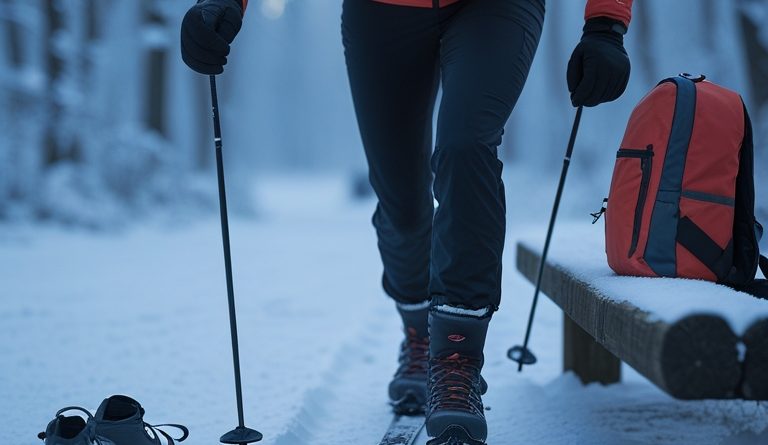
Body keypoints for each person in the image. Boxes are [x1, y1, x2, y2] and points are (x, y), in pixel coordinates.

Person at [180, 0, 633, 443]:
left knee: (465, 145)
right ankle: (419, 332)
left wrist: (606, 24)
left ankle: (455, 357)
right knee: (402, 199)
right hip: (381, 10)